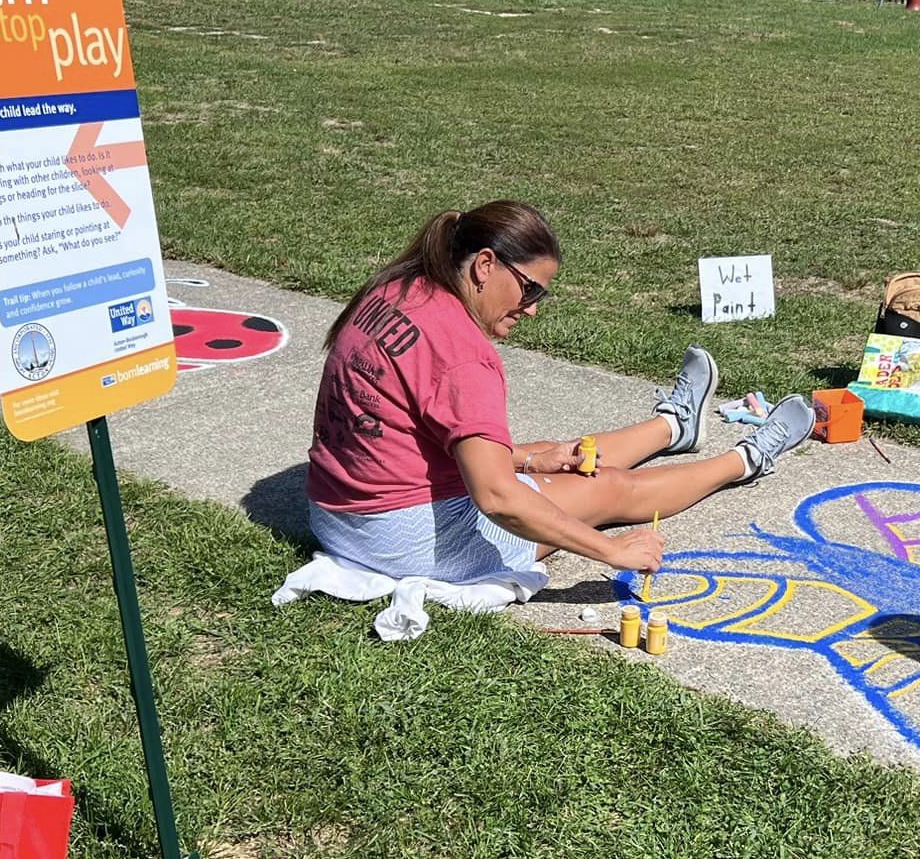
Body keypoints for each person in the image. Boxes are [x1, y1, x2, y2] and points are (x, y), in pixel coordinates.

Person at [307, 201, 814, 590]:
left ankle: (674, 426)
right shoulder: (463, 357)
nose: (532, 309)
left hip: (336, 513)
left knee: (562, 456)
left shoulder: (399, 289)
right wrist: (613, 551)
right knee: (606, 487)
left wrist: (527, 457)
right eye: (530, 290)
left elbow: (412, 428)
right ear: (485, 265)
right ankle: (746, 460)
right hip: (396, 540)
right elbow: (498, 498)